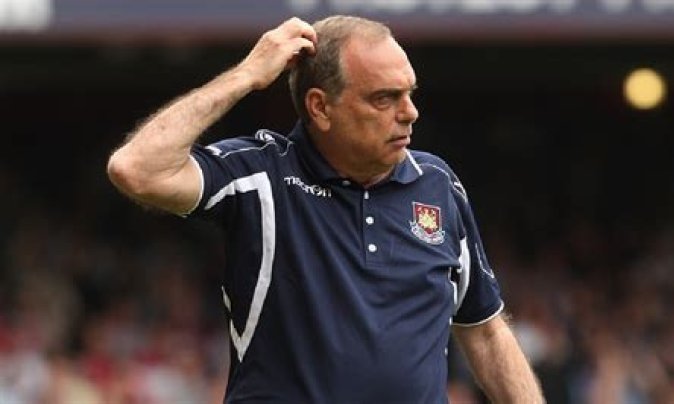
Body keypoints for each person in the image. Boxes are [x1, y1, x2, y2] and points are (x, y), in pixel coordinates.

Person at [107, 15, 544, 403]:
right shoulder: (262, 174)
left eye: (409, 93)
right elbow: (136, 169)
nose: (410, 112)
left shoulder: (438, 183)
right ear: (320, 107)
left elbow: (486, 332)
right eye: (384, 98)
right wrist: (246, 75)